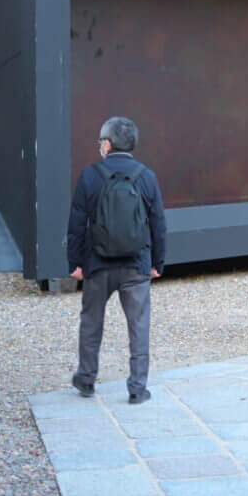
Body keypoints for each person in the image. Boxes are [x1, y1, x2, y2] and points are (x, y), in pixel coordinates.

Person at [66, 117, 167, 404]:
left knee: (91, 322)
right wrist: (158, 262)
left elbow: (76, 223)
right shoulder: (146, 176)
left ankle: (86, 379)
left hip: (97, 265)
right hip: (136, 265)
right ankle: (137, 387)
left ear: (107, 144)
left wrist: (74, 262)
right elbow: (158, 222)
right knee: (139, 325)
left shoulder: (89, 175)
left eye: (101, 141)